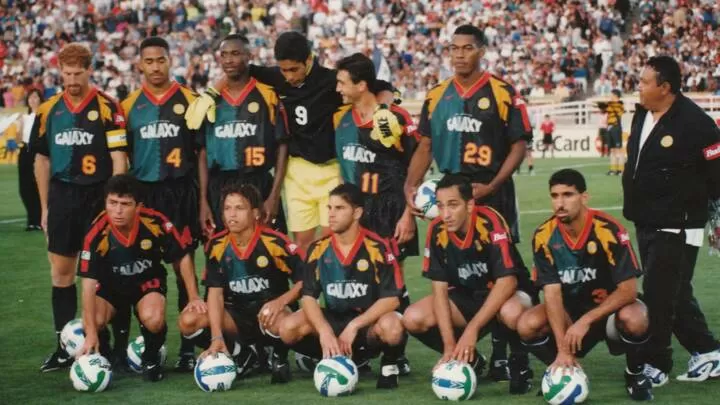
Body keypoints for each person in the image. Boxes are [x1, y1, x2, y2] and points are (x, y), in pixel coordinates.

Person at [403, 24, 533, 379]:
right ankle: (464, 349)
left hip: (492, 194)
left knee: (503, 274)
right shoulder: (436, 96)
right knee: (456, 274)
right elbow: (425, 146)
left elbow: (519, 144)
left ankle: (507, 354)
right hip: (449, 198)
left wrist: (491, 185)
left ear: (481, 51)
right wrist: (410, 186)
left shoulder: (503, 92)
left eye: (467, 48)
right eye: (454, 48)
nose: (459, 54)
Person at [187, 31, 342, 253]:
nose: (288, 76)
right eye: (283, 70)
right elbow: (236, 70)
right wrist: (212, 91)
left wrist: (386, 101)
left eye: (293, 70)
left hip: (322, 170)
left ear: (308, 60)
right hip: (292, 173)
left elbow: (373, 85)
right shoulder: (274, 77)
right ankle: (305, 288)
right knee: (299, 246)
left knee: (326, 242)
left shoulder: (330, 81)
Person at [622, 56, 720, 385]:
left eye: (645, 81)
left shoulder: (698, 125)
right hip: (647, 219)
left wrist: (715, 220)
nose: (639, 86)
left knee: (660, 294)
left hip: (679, 223)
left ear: (665, 87)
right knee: (673, 293)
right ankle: (707, 352)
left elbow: (717, 176)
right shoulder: (642, 114)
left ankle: (657, 363)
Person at [31, 43, 128, 372]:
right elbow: (41, 160)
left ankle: (112, 345)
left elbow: (118, 158)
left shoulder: (106, 107)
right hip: (62, 199)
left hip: (96, 199)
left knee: (106, 272)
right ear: (59, 71)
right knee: (61, 273)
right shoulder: (48, 111)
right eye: (66, 73)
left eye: (78, 73)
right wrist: (45, 207)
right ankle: (63, 346)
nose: (72, 79)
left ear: (90, 70)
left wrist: (115, 202)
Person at [517, 169, 652, 401]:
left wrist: (586, 320)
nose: (560, 203)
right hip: (569, 314)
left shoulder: (608, 229)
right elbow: (551, 294)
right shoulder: (543, 235)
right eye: (555, 196)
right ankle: (565, 371)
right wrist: (562, 347)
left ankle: (635, 374)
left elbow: (628, 289)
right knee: (527, 324)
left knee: (636, 317)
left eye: (568, 195)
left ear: (584, 197)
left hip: (608, 313)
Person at [402, 175, 536, 394]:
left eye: (453, 205)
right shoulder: (437, 230)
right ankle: (467, 358)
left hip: (507, 294)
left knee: (510, 312)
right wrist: (448, 346)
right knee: (413, 318)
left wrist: (471, 330)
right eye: (440, 206)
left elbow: (507, 281)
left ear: (470, 204)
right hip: (468, 298)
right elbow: (439, 291)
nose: (446, 214)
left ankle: (519, 364)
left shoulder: (490, 222)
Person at [122, 36, 203, 372]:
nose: (155, 67)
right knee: (145, 272)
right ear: (139, 64)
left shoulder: (190, 100)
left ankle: (187, 348)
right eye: (149, 61)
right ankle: (152, 347)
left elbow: (200, 154)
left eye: (161, 60)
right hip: (144, 196)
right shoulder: (127, 107)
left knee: (184, 273)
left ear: (171, 61)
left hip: (180, 192)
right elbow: (122, 159)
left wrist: (202, 201)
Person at [332, 55, 417, 375]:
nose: (337, 88)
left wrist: (409, 214)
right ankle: (366, 349)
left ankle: (397, 354)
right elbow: (345, 172)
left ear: (362, 85)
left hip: (391, 209)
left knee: (393, 284)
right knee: (363, 284)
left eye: (342, 82)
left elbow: (414, 169)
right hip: (358, 213)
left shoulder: (394, 118)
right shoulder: (342, 122)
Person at [75, 174, 204, 382]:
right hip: (110, 287)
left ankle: (151, 359)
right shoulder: (96, 232)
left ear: (138, 206)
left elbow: (182, 258)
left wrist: (194, 296)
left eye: (125, 204)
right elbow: (88, 285)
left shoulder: (155, 222)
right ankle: (107, 354)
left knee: (153, 318)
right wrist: (90, 332)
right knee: (94, 320)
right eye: (112, 203)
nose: (117, 211)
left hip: (146, 284)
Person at [278, 184, 406, 389]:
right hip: (334, 318)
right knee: (287, 328)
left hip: (367, 324)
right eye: (329, 208)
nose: (331, 214)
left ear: (357, 213)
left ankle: (389, 365)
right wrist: (324, 331)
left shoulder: (377, 247)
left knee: (393, 326)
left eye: (339, 208)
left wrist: (355, 326)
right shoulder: (318, 248)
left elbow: (392, 299)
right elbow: (309, 296)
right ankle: (330, 355)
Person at [178, 182, 304, 383]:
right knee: (188, 321)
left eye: (239, 208)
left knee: (275, 316)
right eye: (227, 208)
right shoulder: (216, 246)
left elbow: (305, 279)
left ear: (255, 213)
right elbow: (215, 293)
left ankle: (278, 357)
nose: (232, 215)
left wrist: (281, 301)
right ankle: (242, 353)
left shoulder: (275, 242)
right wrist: (216, 337)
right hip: (235, 317)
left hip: (270, 315)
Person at [194, 34, 289, 237]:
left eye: (235, 54)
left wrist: (274, 195)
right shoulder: (209, 100)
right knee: (223, 254)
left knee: (269, 249)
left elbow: (282, 146)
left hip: (258, 181)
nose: (229, 60)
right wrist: (203, 200)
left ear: (249, 56)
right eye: (224, 54)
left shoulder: (267, 95)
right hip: (220, 184)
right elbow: (202, 152)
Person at [14, 89, 43, 231]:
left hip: (38, 152)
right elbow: (19, 139)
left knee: (38, 185)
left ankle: (39, 219)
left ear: (40, 99)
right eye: (30, 97)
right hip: (25, 151)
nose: (32, 99)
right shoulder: (25, 117)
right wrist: (19, 127)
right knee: (24, 187)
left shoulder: (44, 116)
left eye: (35, 96)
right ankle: (32, 220)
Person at [606, 89, 624, 175]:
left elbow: (618, 113)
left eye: (611, 95)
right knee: (612, 150)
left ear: (616, 96)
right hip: (610, 128)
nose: (610, 96)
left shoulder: (619, 104)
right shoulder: (610, 104)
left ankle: (620, 170)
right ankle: (613, 169)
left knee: (618, 150)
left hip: (616, 127)